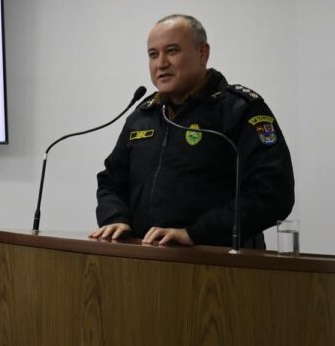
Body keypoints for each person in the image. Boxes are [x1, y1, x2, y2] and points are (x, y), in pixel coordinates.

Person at [90, 14, 294, 248]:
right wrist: (116, 218)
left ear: (202, 53)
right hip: (144, 263)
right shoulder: (144, 116)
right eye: (153, 55)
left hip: (219, 267)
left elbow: (273, 193)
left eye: (172, 51)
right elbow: (111, 181)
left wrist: (195, 234)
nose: (161, 63)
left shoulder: (239, 111)